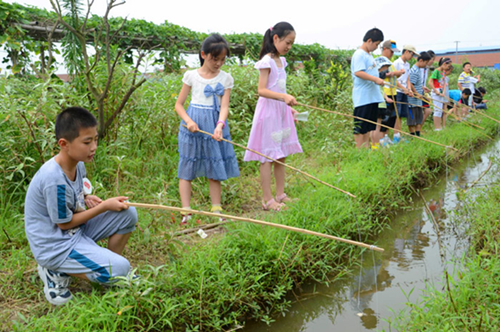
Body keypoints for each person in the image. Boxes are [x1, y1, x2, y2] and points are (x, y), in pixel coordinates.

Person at [24, 107, 138, 306]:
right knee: (121, 270)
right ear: (64, 144)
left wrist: (86, 196)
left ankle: (104, 265)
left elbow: (77, 190)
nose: (93, 147)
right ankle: (54, 270)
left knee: (128, 212)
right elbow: (65, 224)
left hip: (75, 233)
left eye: (95, 139)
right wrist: (103, 207)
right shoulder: (54, 179)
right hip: (56, 245)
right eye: (87, 142)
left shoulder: (78, 163)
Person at [175, 34, 240, 223]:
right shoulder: (191, 76)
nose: (218, 63)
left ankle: (216, 209)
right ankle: (186, 211)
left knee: (214, 164)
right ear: (203, 55)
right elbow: (179, 105)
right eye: (214, 59)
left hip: (214, 126)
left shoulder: (226, 78)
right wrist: (188, 121)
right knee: (187, 165)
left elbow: (224, 106)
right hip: (192, 127)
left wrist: (220, 126)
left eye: (222, 59)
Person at [244, 22, 302, 211]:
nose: (289, 46)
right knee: (267, 156)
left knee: (281, 154)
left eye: (292, 43)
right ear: (275, 38)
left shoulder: (281, 61)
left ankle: (280, 194)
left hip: (280, 112)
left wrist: (289, 108)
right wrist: (283, 97)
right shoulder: (266, 61)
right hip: (268, 113)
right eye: (287, 42)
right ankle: (267, 199)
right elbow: (261, 90)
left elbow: (279, 88)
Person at [350, 28, 385, 149]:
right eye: (376, 44)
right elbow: (358, 72)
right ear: (369, 40)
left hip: (371, 97)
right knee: (360, 128)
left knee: (368, 128)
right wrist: (375, 79)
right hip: (363, 97)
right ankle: (360, 151)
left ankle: (365, 151)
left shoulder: (369, 55)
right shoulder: (359, 54)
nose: (376, 47)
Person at [376, 40, 405, 144]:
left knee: (391, 118)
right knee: (384, 119)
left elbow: (394, 78)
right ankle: (380, 140)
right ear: (384, 49)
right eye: (391, 51)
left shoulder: (390, 63)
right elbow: (384, 74)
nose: (392, 54)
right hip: (386, 93)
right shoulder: (380, 61)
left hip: (394, 93)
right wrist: (396, 72)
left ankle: (386, 137)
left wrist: (404, 88)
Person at [393, 45, 419, 142]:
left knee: (402, 114)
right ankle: (395, 136)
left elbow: (407, 79)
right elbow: (393, 79)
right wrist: (404, 89)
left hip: (404, 92)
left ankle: (398, 134)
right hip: (398, 91)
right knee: (397, 114)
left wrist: (409, 89)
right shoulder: (396, 63)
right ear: (406, 52)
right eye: (412, 54)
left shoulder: (407, 65)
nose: (412, 57)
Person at [407, 51, 431, 136]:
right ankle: (412, 136)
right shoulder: (414, 70)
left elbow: (416, 83)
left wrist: (422, 87)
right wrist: (416, 93)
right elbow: (411, 83)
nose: (426, 64)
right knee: (412, 120)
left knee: (418, 119)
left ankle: (418, 135)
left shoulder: (418, 70)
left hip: (418, 101)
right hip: (412, 101)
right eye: (426, 62)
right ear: (421, 60)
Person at [430, 57, 452, 131]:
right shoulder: (436, 71)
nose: (448, 68)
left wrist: (443, 92)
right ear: (444, 64)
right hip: (436, 92)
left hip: (441, 91)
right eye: (448, 66)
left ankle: (439, 127)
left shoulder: (444, 72)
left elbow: (444, 82)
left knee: (440, 111)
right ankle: (437, 128)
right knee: (437, 110)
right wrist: (436, 91)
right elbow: (430, 82)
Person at [421, 50, 435, 124]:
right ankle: (418, 129)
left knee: (427, 110)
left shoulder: (426, 69)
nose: (432, 62)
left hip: (422, 91)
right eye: (432, 60)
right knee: (427, 110)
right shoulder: (420, 68)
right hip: (417, 91)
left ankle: (419, 128)